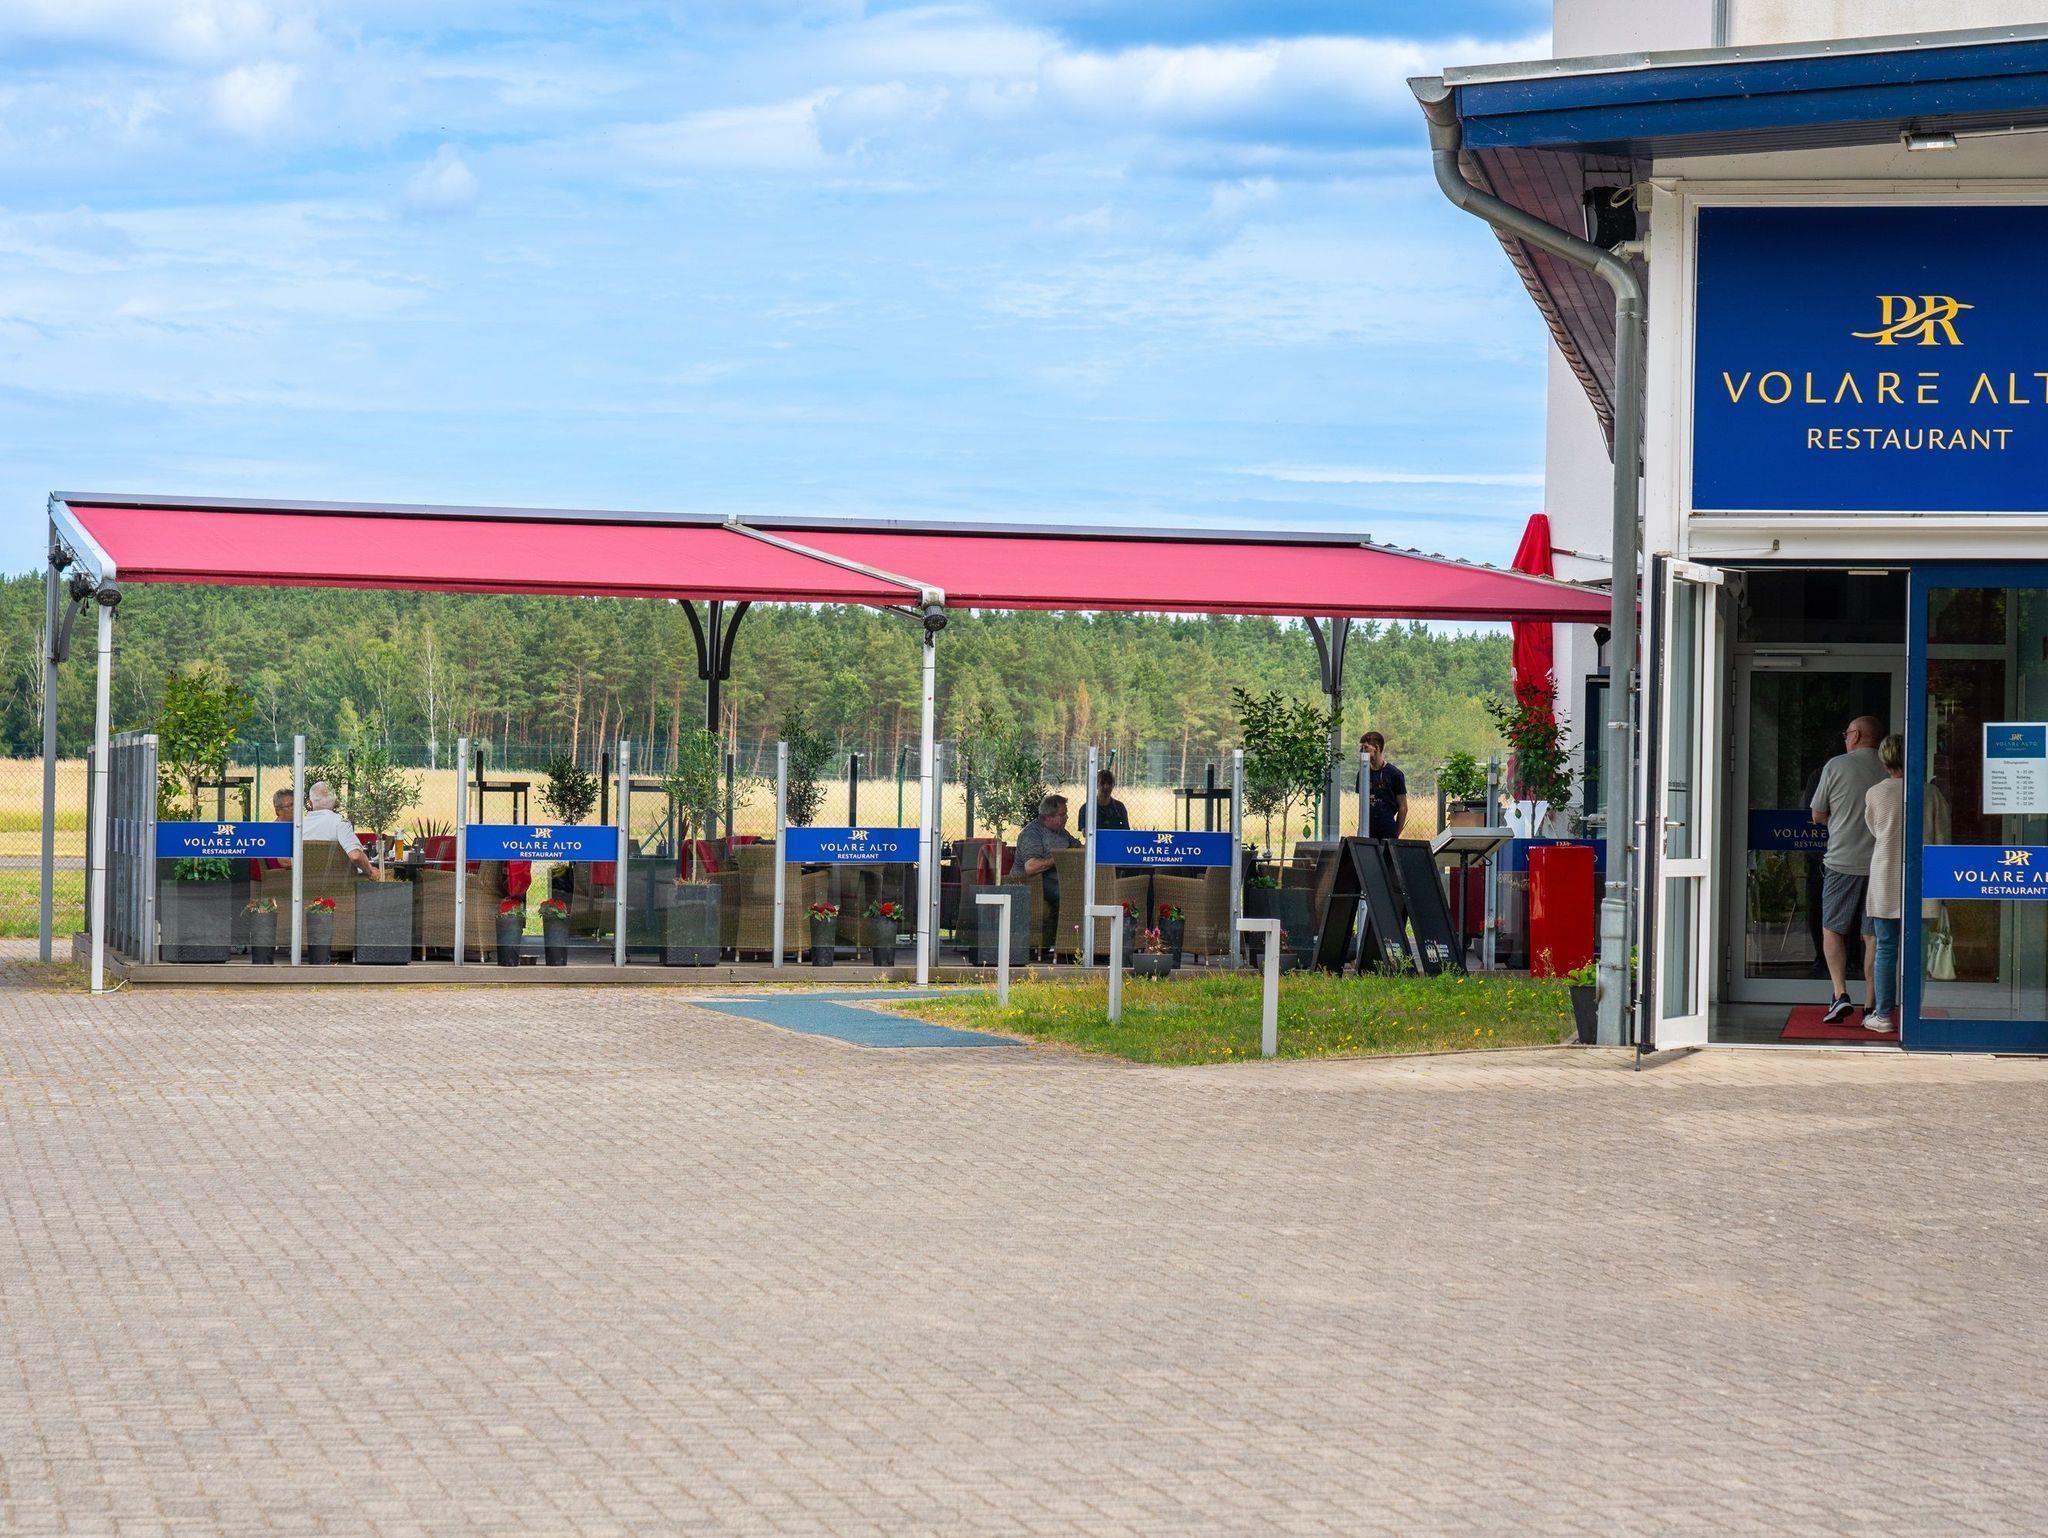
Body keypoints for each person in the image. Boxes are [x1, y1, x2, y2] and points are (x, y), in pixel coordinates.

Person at [1810, 714, 1887, 1023]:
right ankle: (1871, 1003)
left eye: (1846, 734)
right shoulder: (1890, 767)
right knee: (1873, 936)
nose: (1845, 738)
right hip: (1880, 863)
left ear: (1855, 736)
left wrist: (1840, 819)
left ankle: (1840, 994)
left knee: (1832, 928)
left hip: (1841, 860)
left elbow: (1817, 814)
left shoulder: (1836, 766)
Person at [1863, 733, 1906, 1033]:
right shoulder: (1930, 793)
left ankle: (1884, 1015)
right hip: (1920, 880)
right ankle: (1916, 1016)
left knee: (1886, 948)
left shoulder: (1876, 793)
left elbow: (1875, 830)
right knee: (1918, 952)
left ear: (1883, 760)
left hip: (1885, 876)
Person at [1014, 793, 1081, 956]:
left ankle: (1075, 944)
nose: (1066, 818)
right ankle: (1064, 945)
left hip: (1053, 881)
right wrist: (1059, 858)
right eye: (1062, 815)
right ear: (1047, 817)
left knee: (1078, 889)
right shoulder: (1032, 834)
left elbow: (1079, 848)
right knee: (1064, 892)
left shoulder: (1062, 833)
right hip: (1029, 883)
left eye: (1066, 814)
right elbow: (1031, 867)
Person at [302, 780, 377, 878]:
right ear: (334, 802)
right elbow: (356, 856)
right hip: (337, 883)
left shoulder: (298, 825)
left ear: (310, 803)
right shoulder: (340, 823)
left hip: (303, 883)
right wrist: (371, 871)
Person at [1361, 731, 1407, 839]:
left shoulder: (1394, 774)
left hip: (1387, 830)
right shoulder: (1363, 774)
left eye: (1366, 748)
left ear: (1376, 748)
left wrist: (1395, 835)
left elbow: (1403, 807)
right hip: (1367, 830)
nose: (1362, 751)